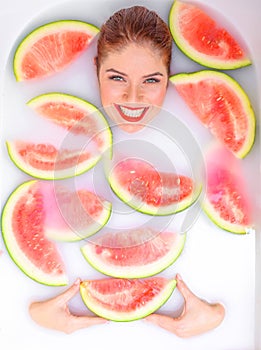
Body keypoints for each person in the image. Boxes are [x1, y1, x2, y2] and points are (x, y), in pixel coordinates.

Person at [29, 6, 225, 336]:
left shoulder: (207, 137)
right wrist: (36, 313)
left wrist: (216, 317)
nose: (133, 98)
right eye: (117, 78)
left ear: (170, 76)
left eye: (151, 80)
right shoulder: (55, 131)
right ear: (95, 69)